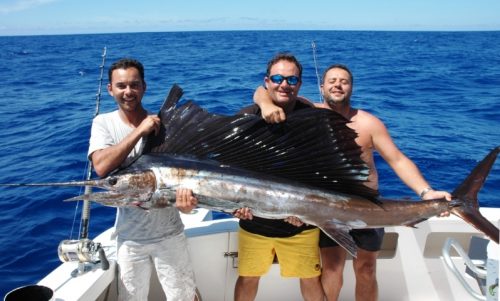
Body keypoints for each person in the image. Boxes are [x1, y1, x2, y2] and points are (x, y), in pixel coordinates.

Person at [253, 63, 451, 301]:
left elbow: (397, 160)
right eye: (332, 81)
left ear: (351, 88)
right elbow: (263, 91)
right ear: (322, 87)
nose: (338, 85)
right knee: (332, 268)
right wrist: (265, 104)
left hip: (369, 208)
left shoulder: (369, 123)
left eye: (344, 81)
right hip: (328, 208)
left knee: (366, 269)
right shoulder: (308, 113)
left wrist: (426, 191)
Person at [88, 58, 198, 301]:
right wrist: (140, 131)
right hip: (130, 238)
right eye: (121, 86)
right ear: (110, 89)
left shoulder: (164, 126)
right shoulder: (103, 123)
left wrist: (188, 207)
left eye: (134, 85)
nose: (128, 92)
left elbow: (186, 184)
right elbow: (102, 168)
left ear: (144, 87)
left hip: (170, 233)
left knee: (185, 297)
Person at [232, 53, 324, 301]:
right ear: (266, 81)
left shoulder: (312, 117)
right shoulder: (246, 117)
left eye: (291, 79)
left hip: (300, 224)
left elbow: (321, 169)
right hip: (254, 223)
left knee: (311, 279)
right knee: (248, 278)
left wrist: (306, 212)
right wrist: (234, 207)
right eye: (277, 78)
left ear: (300, 84)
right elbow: (231, 171)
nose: (284, 84)